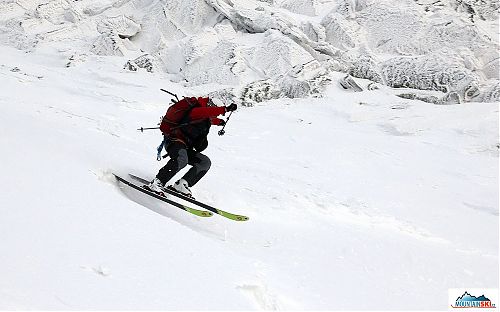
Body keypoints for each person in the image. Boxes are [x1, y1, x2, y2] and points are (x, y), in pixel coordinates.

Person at [147, 97, 237, 198]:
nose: (214, 115)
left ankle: (181, 185)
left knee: (204, 162)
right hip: (174, 141)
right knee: (182, 159)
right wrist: (225, 109)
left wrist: (219, 122)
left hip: (185, 147)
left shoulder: (205, 117)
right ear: (210, 106)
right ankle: (158, 182)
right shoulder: (196, 111)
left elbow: (209, 118)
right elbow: (204, 113)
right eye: (214, 112)